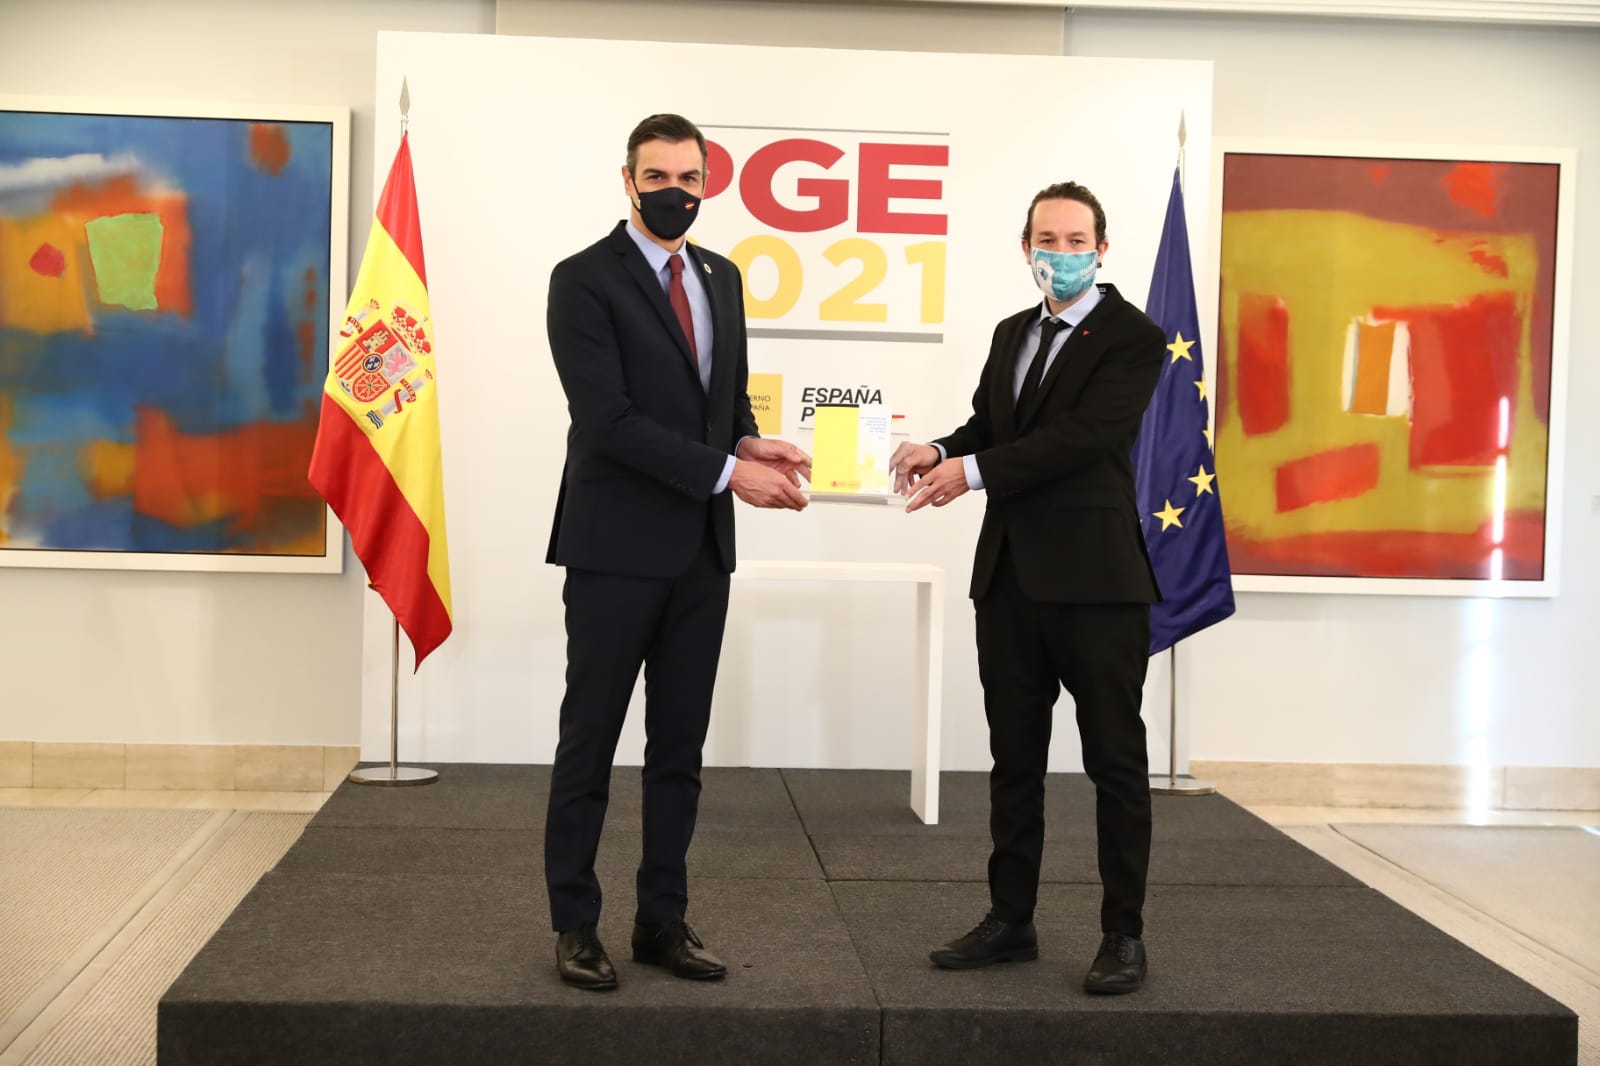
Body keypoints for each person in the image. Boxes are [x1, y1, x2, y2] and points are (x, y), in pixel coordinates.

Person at [544, 113, 812, 991]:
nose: (673, 192)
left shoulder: (721, 277)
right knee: (590, 745)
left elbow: (720, 403)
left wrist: (751, 443)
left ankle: (662, 919)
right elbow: (608, 423)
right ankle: (576, 927)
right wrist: (726, 475)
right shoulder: (582, 280)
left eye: (688, 178)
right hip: (615, 548)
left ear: (707, 181)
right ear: (627, 180)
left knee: (679, 751)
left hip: (701, 554)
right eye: (656, 176)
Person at [890, 181, 1164, 995]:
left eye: (1077, 240)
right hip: (1010, 577)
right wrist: (937, 449)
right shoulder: (1014, 331)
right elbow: (993, 428)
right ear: (1026, 248)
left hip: (1097, 582)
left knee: (1115, 760)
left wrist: (968, 474)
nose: (1063, 253)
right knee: (1014, 759)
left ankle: (1123, 935)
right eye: (1048, 239)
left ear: (1102, 249)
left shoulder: (1134, 338)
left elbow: (1083, 439)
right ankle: (1011, 919)